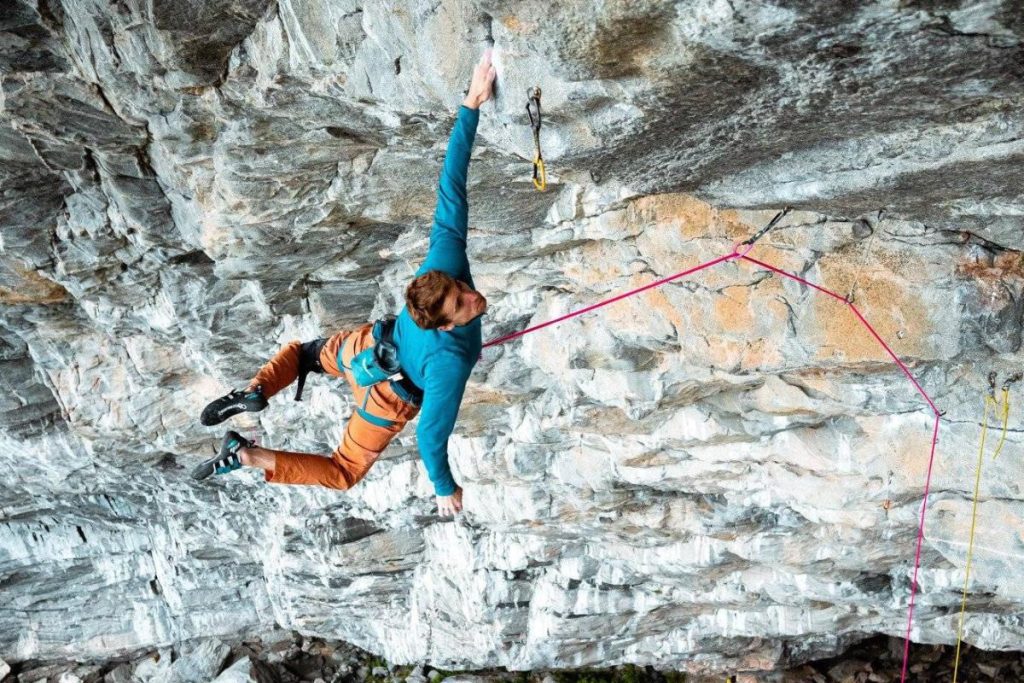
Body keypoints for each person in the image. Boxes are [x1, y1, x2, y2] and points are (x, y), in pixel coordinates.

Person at [193, 48, 497, 517]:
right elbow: (430, 437)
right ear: (441, 325)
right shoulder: (450, 364)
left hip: (368, 349)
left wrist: (471, 104)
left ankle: (253, 408)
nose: (473, 297)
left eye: (464, 293)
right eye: (462, 303)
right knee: (342, 471)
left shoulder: (444, 263)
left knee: (304, 356)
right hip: (389, 398)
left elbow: (450, 186)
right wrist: (443, 486)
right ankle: (248, 450)